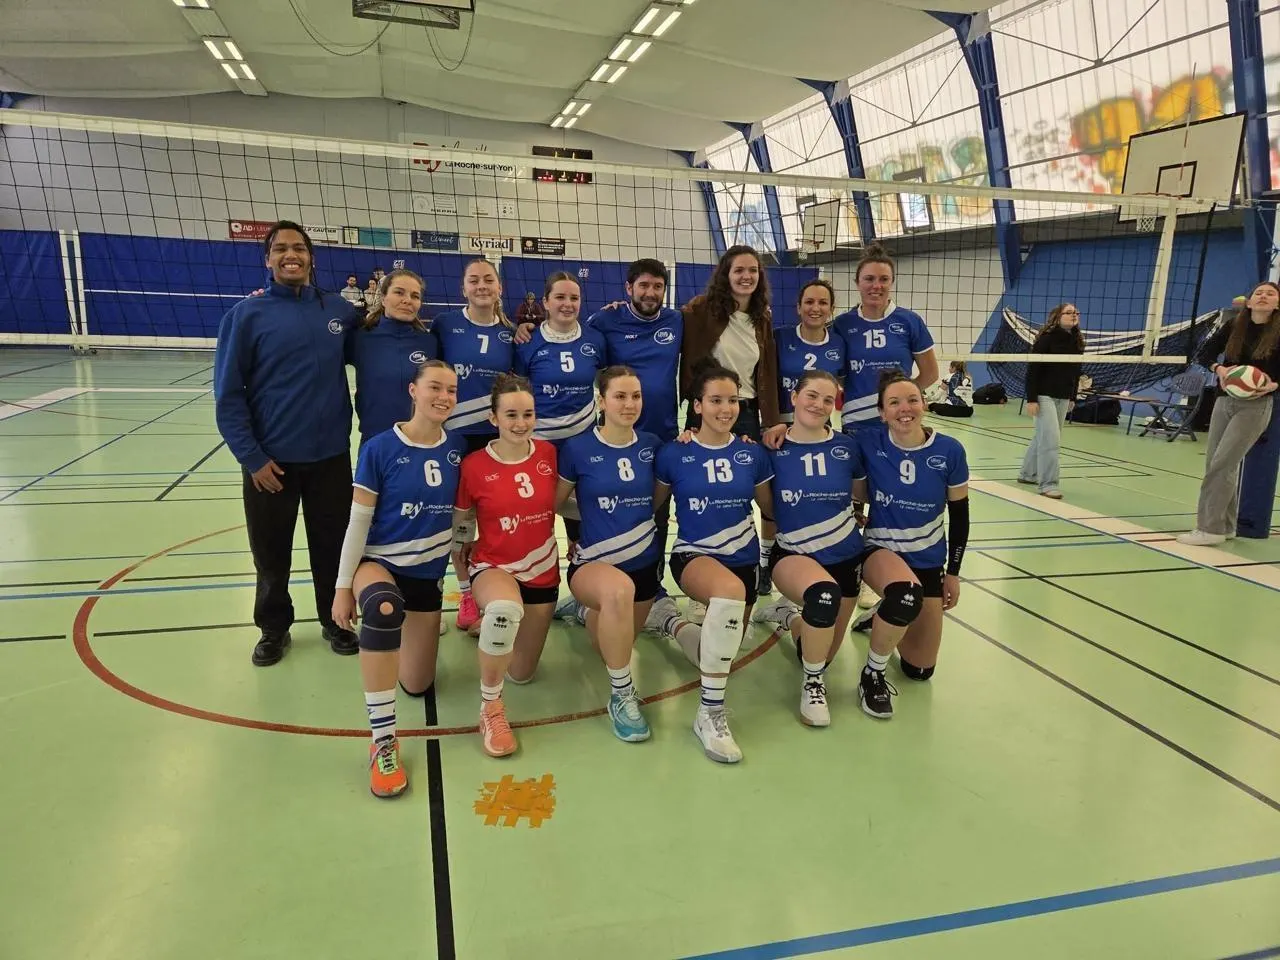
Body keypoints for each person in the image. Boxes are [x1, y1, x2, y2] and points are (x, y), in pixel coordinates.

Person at [213, 220, 359, 666]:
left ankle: (335, 619)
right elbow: (227, 396)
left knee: (333, 548)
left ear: (312, 257)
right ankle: (273, 628)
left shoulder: (339, 312)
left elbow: (384, 344)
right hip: (270, 463)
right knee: (270, 552)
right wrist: (252, 458)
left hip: (330, 458)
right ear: (268, 259)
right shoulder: (245, 316)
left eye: (299, 248)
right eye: (280, 249)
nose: (290, 255)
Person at [331, 361, 465, 798]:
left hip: (427, 576)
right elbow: (357, 523)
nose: (443, 397)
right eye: (434, 387)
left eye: (451, 390)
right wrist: (343, 587)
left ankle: (397, 637)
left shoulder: (456, 448)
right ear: (413, 390)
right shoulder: (380, 447)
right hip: (380, 563)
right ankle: (383, 741)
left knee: (418, 684)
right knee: (384, 608)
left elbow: (463, 517)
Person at [648, 360, 774, 763]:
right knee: (729, 596)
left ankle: (669, 621)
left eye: (732, 400)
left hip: (744, 561)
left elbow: (772, 511)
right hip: (694, 555)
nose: (726, 408)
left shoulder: (751, 454)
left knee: (718, 654)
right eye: (716, 400)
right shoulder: (675, 453)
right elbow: (650, 508)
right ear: (697, 405)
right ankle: (709, 714)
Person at [846, 372, 970, 712]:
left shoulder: (949, 451)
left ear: (924, 404)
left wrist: (953, 573)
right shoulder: (868, 441)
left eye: (912, 400)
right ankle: (872, 674)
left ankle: (882, 612)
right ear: (882, 412)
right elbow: (820, 438)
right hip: (880, 549)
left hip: (927, 559)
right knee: (904, 594)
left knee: (919, 671)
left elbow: (960, 517)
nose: (905, 409)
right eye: (894, 402)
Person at [452, 374, 559, 758]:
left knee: (522, 674)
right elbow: (461, 528)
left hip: (543, 570)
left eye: (528, 414)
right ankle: (490, 708)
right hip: (494, 566)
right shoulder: (474, 465)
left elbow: (569, 501)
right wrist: (464, 587)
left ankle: (494, 629)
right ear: (493, 418)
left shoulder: (549, 454)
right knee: (503, 610)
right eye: (511, 414)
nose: (520, 422)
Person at [554, 366, 660, 742]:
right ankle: (621, 695)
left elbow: (659, 496)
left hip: (644, 566)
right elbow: (555, 503)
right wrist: (593, 514)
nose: (629, 404)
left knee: (613, 645)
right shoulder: (578, 449)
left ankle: (585, 611)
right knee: (616, 595)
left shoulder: (653, 445)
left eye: (636, 396)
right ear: (601, 401)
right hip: (595, 564)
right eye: (620, 396)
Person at [751, 369, 863, 727]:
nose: (819, 405)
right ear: (794, 397)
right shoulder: (771, 448)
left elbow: (863, 493)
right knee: (823, 598)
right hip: (794, 555)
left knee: (818, 652)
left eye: (828, 400)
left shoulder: (847, 448)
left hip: (846, 557)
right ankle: (813, 686)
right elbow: (767, 508)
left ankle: (788, 617)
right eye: (811, 395)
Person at [680, 245, 783, 596]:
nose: (746, 276)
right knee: (706, 490)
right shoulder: (701, 309)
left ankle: (764, 561)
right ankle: (704, 563)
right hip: (707, 411)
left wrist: (770, 420)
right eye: (739, 270)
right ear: (726, 274)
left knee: (759, 492)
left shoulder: (761, 318)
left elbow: (767, 371)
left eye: (753, 270)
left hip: (746, 413)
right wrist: (620, 309)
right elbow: (665, 321)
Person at [585, 259, 685, 581]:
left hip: (663, 435)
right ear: (628, 288)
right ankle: (601, 579)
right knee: (611, 509)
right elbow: (573, 338)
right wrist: (526, 328)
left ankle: (653, 586)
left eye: (657, 286)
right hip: (615, 438)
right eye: (643, 285)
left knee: (658, 514)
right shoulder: (605, 319)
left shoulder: (676, 320)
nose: (650, 292)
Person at [436, 258, 516, 631]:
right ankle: (464, 593)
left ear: (500, 287)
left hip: (496, 440)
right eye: (473, 280)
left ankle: (496, 588)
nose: (481, 285)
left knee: (497, 519)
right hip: (455, 438)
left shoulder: (512, 334)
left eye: (488, 279)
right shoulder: (445, 325)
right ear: (463, 288)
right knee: (459, 521)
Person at [1178, 281, 1280, 546]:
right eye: (1258, 293)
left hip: (1256, 405)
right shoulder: (1235, 325)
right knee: (1217, 463)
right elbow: (1204, 353)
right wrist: (1219, 369)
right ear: (1249, 301)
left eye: (1270, 294)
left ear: (1277, 303)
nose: (1263, 296)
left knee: (1222, 464)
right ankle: (1226, 525)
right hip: (1224, 401)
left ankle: (1208, 529)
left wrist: (1274, 384)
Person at [834, 242, 941, 433]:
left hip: (900, 420)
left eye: (884, 279)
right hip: (857, 420)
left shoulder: (910, 321)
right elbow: (840, 377)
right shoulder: (842, 324)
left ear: (892, 282)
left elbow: (931, 373)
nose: (876, 286)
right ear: (857, 283)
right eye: (869, 279)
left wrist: (901, 398)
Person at [347, 269, 440, 446]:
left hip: (420, 441)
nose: (407, 300)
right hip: (374, 441)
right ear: (383, 298)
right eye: (399, 292)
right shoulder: (360, 339)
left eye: (415, 296)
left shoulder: (429, 342)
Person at [1018, 304, 1084, 499]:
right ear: (1057, 316)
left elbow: (1076, 371)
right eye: (1069, 312)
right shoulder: (1046, 338)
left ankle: (1027, 474)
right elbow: (1033, 370)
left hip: (1063, 395)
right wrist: (1031, 399)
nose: (1074, 315)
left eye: (1076, 313)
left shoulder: (1077, 340)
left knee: (1044, 437)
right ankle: (1048, 484)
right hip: (1044, 395)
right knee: (1051, 440)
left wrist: (1072, 396)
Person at [776, 279, 845, 425]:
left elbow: (844, 382)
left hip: (820, 423)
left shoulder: (839, 343)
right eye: (809, 302)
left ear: (831, 309)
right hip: (782, 425)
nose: (815, 308)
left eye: (823, 303)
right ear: (798, 308)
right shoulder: (779, 337)